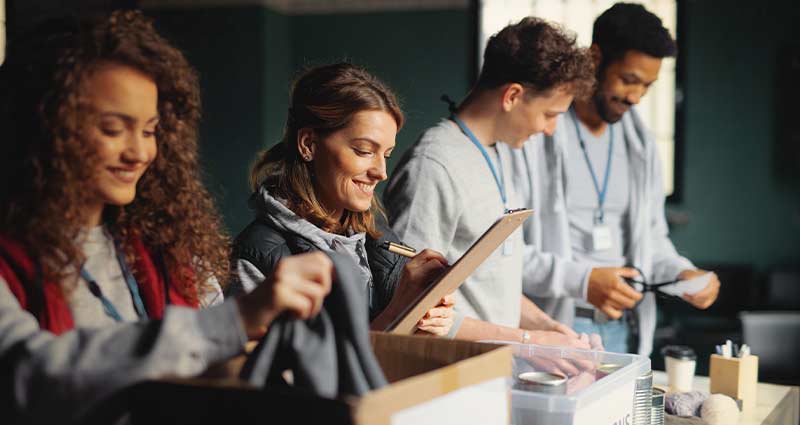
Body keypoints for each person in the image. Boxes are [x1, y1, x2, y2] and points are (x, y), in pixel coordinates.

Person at [0, 11, 334, 423]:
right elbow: (29, 378)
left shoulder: (164, 242)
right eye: (112, 129)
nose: (139, 153)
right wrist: (232, 322)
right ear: (44, 126)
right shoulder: (9, 257)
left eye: (148, 130)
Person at [505, 3, 720, 355]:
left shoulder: (642, 146)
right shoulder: (535, 133)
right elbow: (507, 253)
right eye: (629, 79)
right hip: (554, 326)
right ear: (595, 57)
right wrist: (583, 281)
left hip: (625, 329)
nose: (635, 96)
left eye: (647, 86)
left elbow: (653, 238)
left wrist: (681, 274)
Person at [384, 17, 598, 347]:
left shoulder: (498, 153)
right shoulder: (433, 164)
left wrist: (545, 326)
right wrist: (528, 340)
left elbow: (490, 281)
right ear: (513, 95)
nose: (550, 130)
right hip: (446, 375)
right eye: (550, 114)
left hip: (490, 371)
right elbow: (413, 308)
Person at [232, 63, 456, 337]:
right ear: (308, 145)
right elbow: (294, 376)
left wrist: (424, 322)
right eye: (364, 151)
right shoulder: (255, 257)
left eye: (385, 155)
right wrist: (400, 311)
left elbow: (399, 353)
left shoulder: (380, 238)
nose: (381, 172)